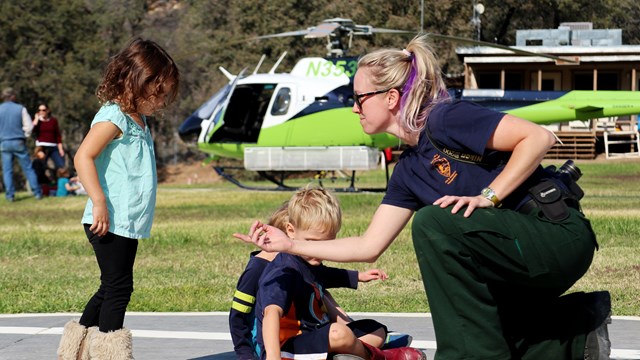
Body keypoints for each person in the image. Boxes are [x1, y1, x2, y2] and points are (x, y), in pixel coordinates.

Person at [235, 34, 611, 360]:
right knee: (485, 330)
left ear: (392, 97)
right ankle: (579, 338)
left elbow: (538, 138)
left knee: (435, 222)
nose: (353, 108)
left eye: (360, 98)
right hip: (515, 253)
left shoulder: (445, 119)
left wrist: (488, 196)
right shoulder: (408, 171)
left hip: (554, 234)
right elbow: (368, 245)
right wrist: (291, 243)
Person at [56, 38, 179, 360]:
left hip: (126, 221)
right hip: (108, 220)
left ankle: (75, 352)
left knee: (110, 287)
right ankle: (109, 355)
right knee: (119, 289)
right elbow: (83, 157)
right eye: (160, 91)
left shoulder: (138, 118)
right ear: (139, 82)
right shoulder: (114, 116)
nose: (163, 100)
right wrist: (98, 202)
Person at [252, 187, 424, 360]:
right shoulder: (283, 271)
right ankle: (380, 357)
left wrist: (358, 276)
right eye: (312, 242)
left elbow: (329, 275)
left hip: (316, 335)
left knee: (376, 330)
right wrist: (272, 357)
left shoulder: (309, 261)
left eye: (326, 244)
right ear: (290, 231)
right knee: (339, 333)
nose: (318, 250)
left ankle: (342, 354)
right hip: (287, 348)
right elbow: (270, 315)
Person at [0, 87, 42, 202]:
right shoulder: (20, 109)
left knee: (7, 170)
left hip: (4, 142)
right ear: (13, 96)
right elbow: (29, 126)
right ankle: (37, 193)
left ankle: (10, 196)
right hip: (18, 141)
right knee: (28, 168)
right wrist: (25, 135)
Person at [32, 102, 66, 169]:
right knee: (40, 167)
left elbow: (58, 135)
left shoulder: (53, 121)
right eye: (39, 110)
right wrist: (36, 119)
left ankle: (63, 179)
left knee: (61, 165)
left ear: (48, 110)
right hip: (41, 147)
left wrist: (60, 149)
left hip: (53, 146)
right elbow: (32, 130)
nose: (41, 112)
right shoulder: (37, 121)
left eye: (43, 110)